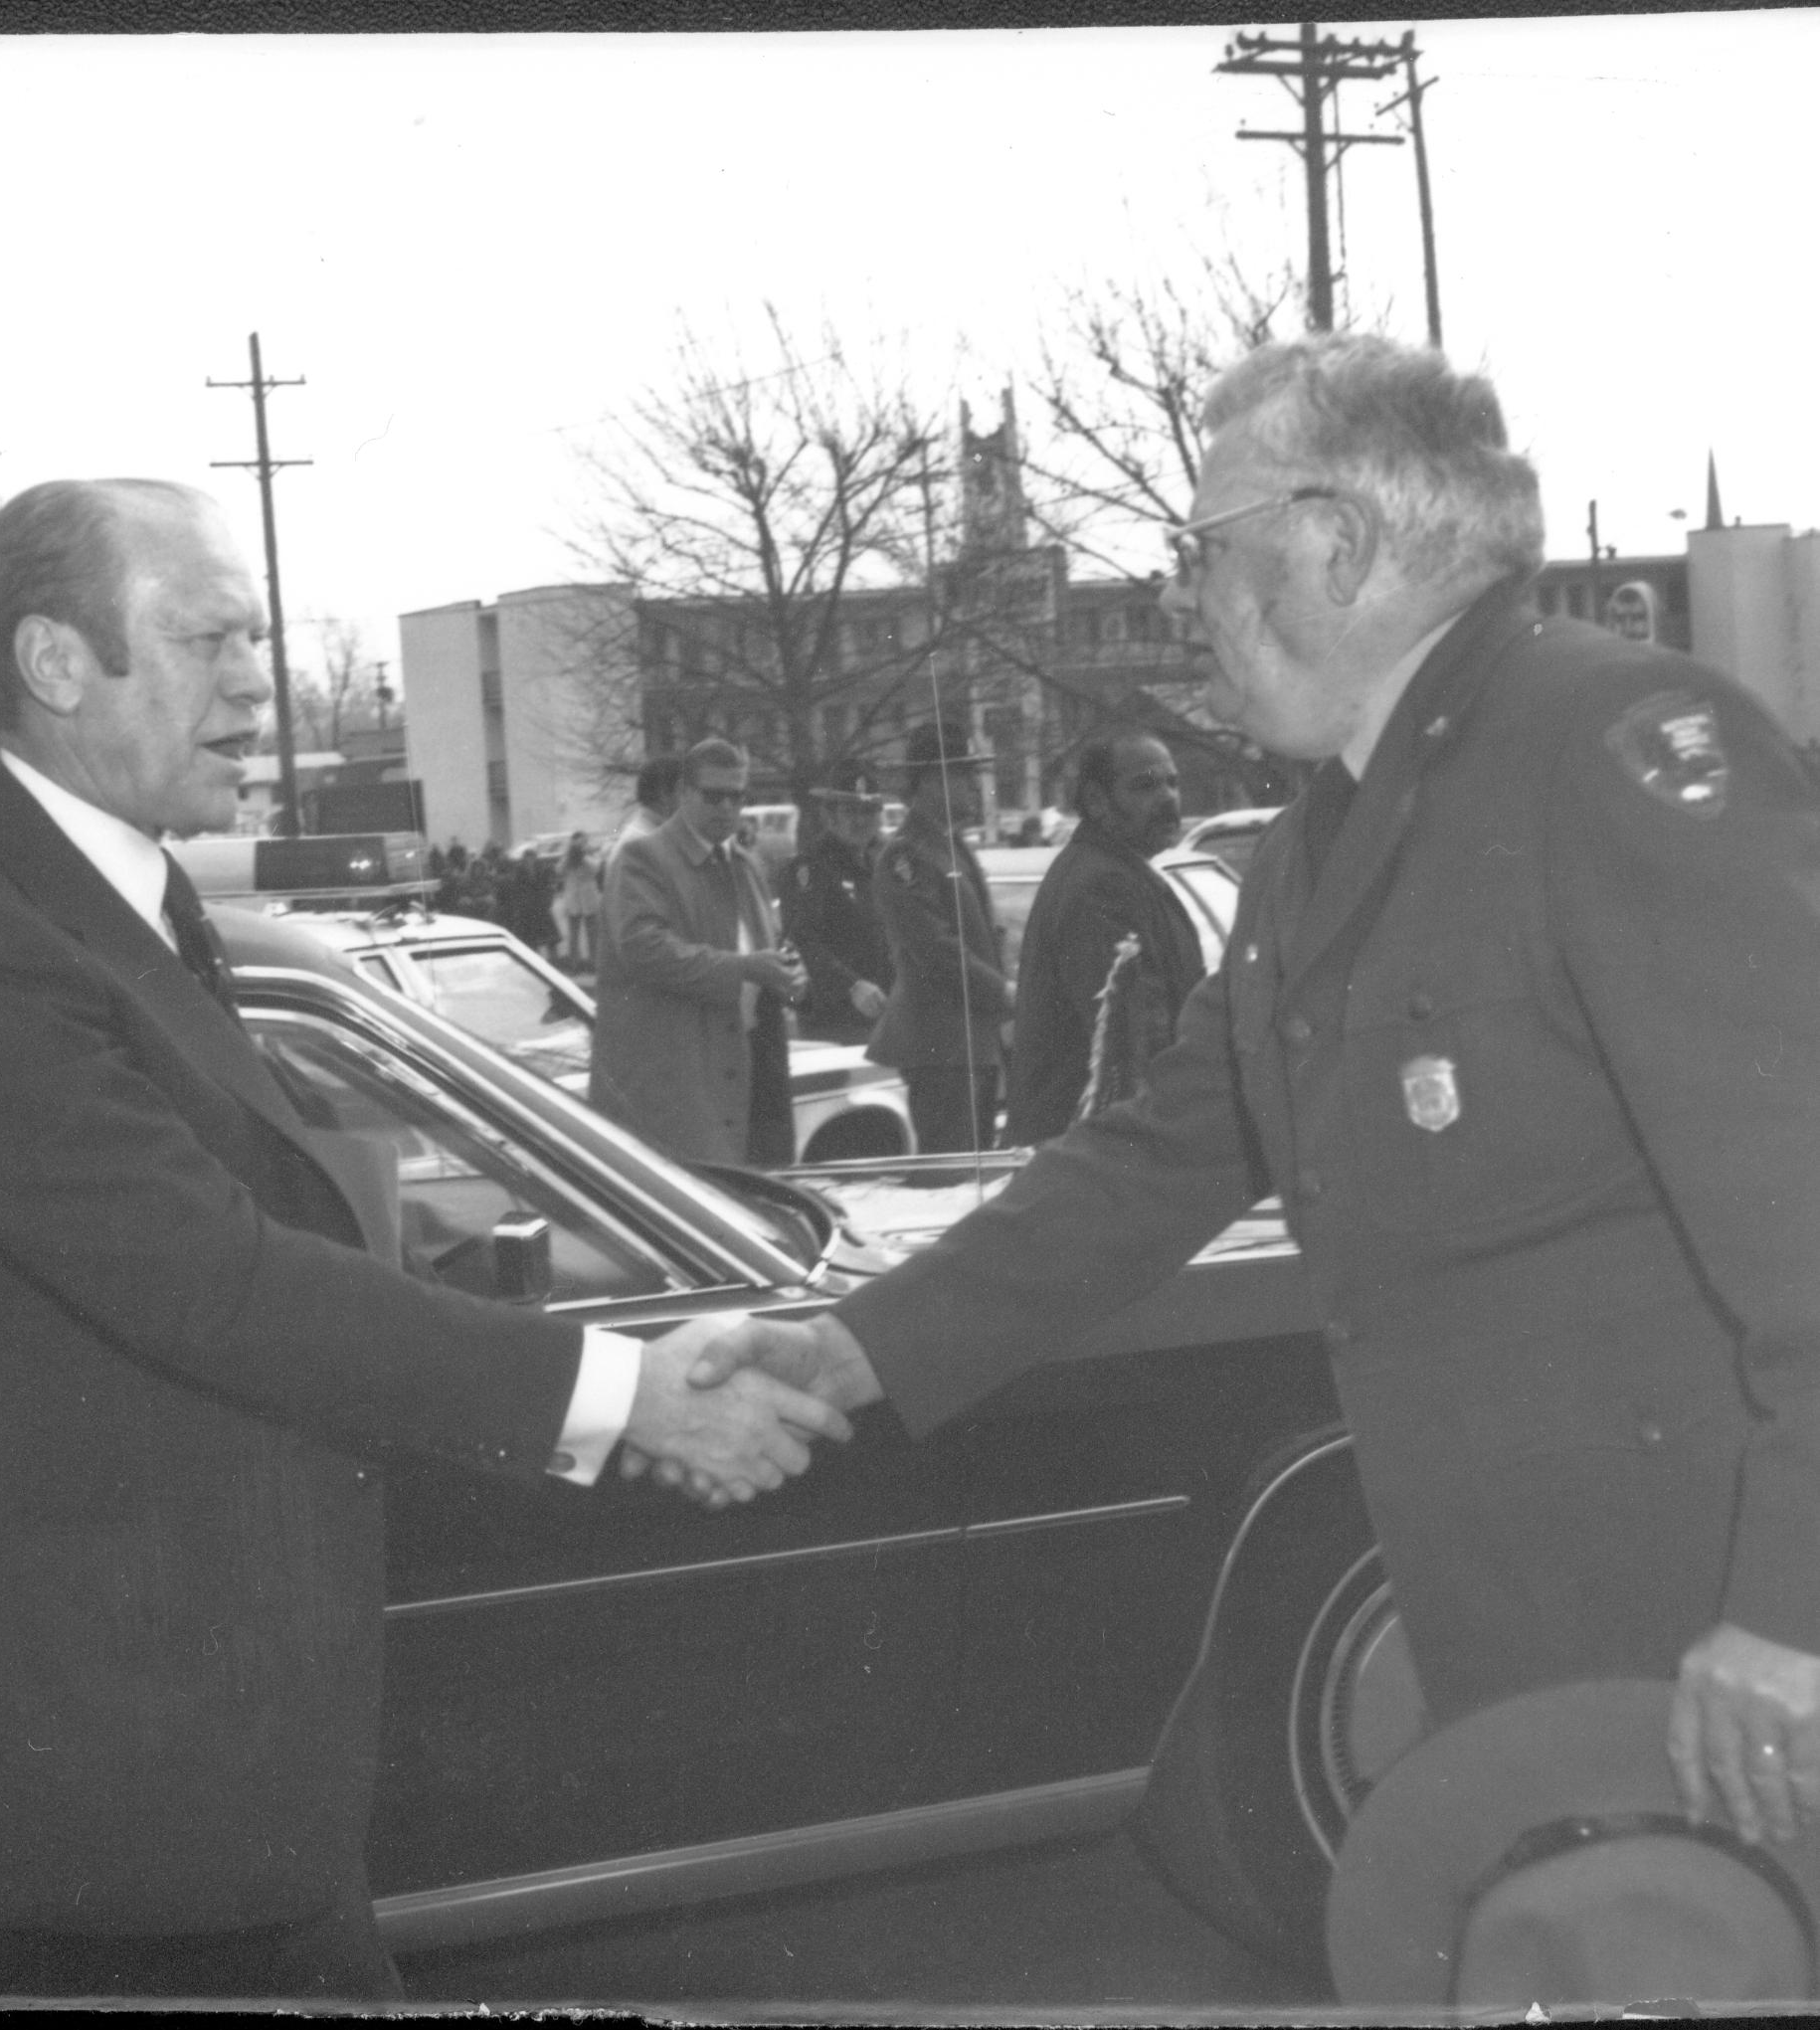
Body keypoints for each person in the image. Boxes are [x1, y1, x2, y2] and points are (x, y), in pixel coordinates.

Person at [701, 331, 1820, 1872]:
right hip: (1520, 1636)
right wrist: (851, 1348)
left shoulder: (1610, 751)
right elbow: (1166, 1149)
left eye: (1204, 549)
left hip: (1713, 1664)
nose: (1181, 597)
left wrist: (1793, 1618)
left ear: (1342, 545)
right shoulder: (1327, 834)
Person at [0, 478, 847, 2004]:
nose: (254, 681)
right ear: (54, 662)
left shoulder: (113, 895)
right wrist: (624, 1393)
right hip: (91, 1810)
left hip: (185, 1772)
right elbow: (218, 1279)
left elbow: (279, 1218)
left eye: (256, 638)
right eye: (208, 636)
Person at [591, 735, 805, 1167]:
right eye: (713, 796)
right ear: (683, 793)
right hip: (680, 1084)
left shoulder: (745, 865)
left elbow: (768, 945)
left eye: (737, 796)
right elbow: (645, 949)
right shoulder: (640, 859)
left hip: (751, 1069)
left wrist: (791, 971)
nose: (727, 807)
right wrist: (747, 968)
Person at [1005, 729, 1204, 1145]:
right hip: (1095, 1153)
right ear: (1096, 801)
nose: (1168, 798)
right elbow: (1130, 1045)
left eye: (1172, 782)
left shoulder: (1119, 872)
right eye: (1145, 785)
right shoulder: (1101, 886)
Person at [869, 717, 1010, 1152]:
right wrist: (1006, 992)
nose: (973, 784)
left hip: (972, 1043)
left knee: (974, 1175)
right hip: (942, 1047)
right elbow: (938, 951)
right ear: (930, 781)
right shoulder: (905, 854)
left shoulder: (952, 845)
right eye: (962, 773)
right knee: (952, 1177)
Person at [784, 765, 896, 1045]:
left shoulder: (878, 867)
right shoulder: (810, 868)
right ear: (830, 816)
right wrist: (851, 985)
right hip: (834, 1022)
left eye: (869, 811)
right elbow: (801, 940)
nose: (860, 821)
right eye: (850, 811)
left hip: (883, 1017)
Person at [610, 752, 684, 865]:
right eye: (683, 791)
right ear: (664, 794)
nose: (689, 799)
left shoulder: (652, 836)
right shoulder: (639, 846)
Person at [554, 830, 603, 971]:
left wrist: (583, 857)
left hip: (589, 899)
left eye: (582, 842)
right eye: (577, 843)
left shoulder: (590, 855)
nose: (580, 845)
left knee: (593, 934)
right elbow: (558, 870)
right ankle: (574, 964)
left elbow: (596, 868)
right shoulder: (568, 857)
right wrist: (570, 856)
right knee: (573, 935)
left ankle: (594, 963)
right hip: (573, 899)